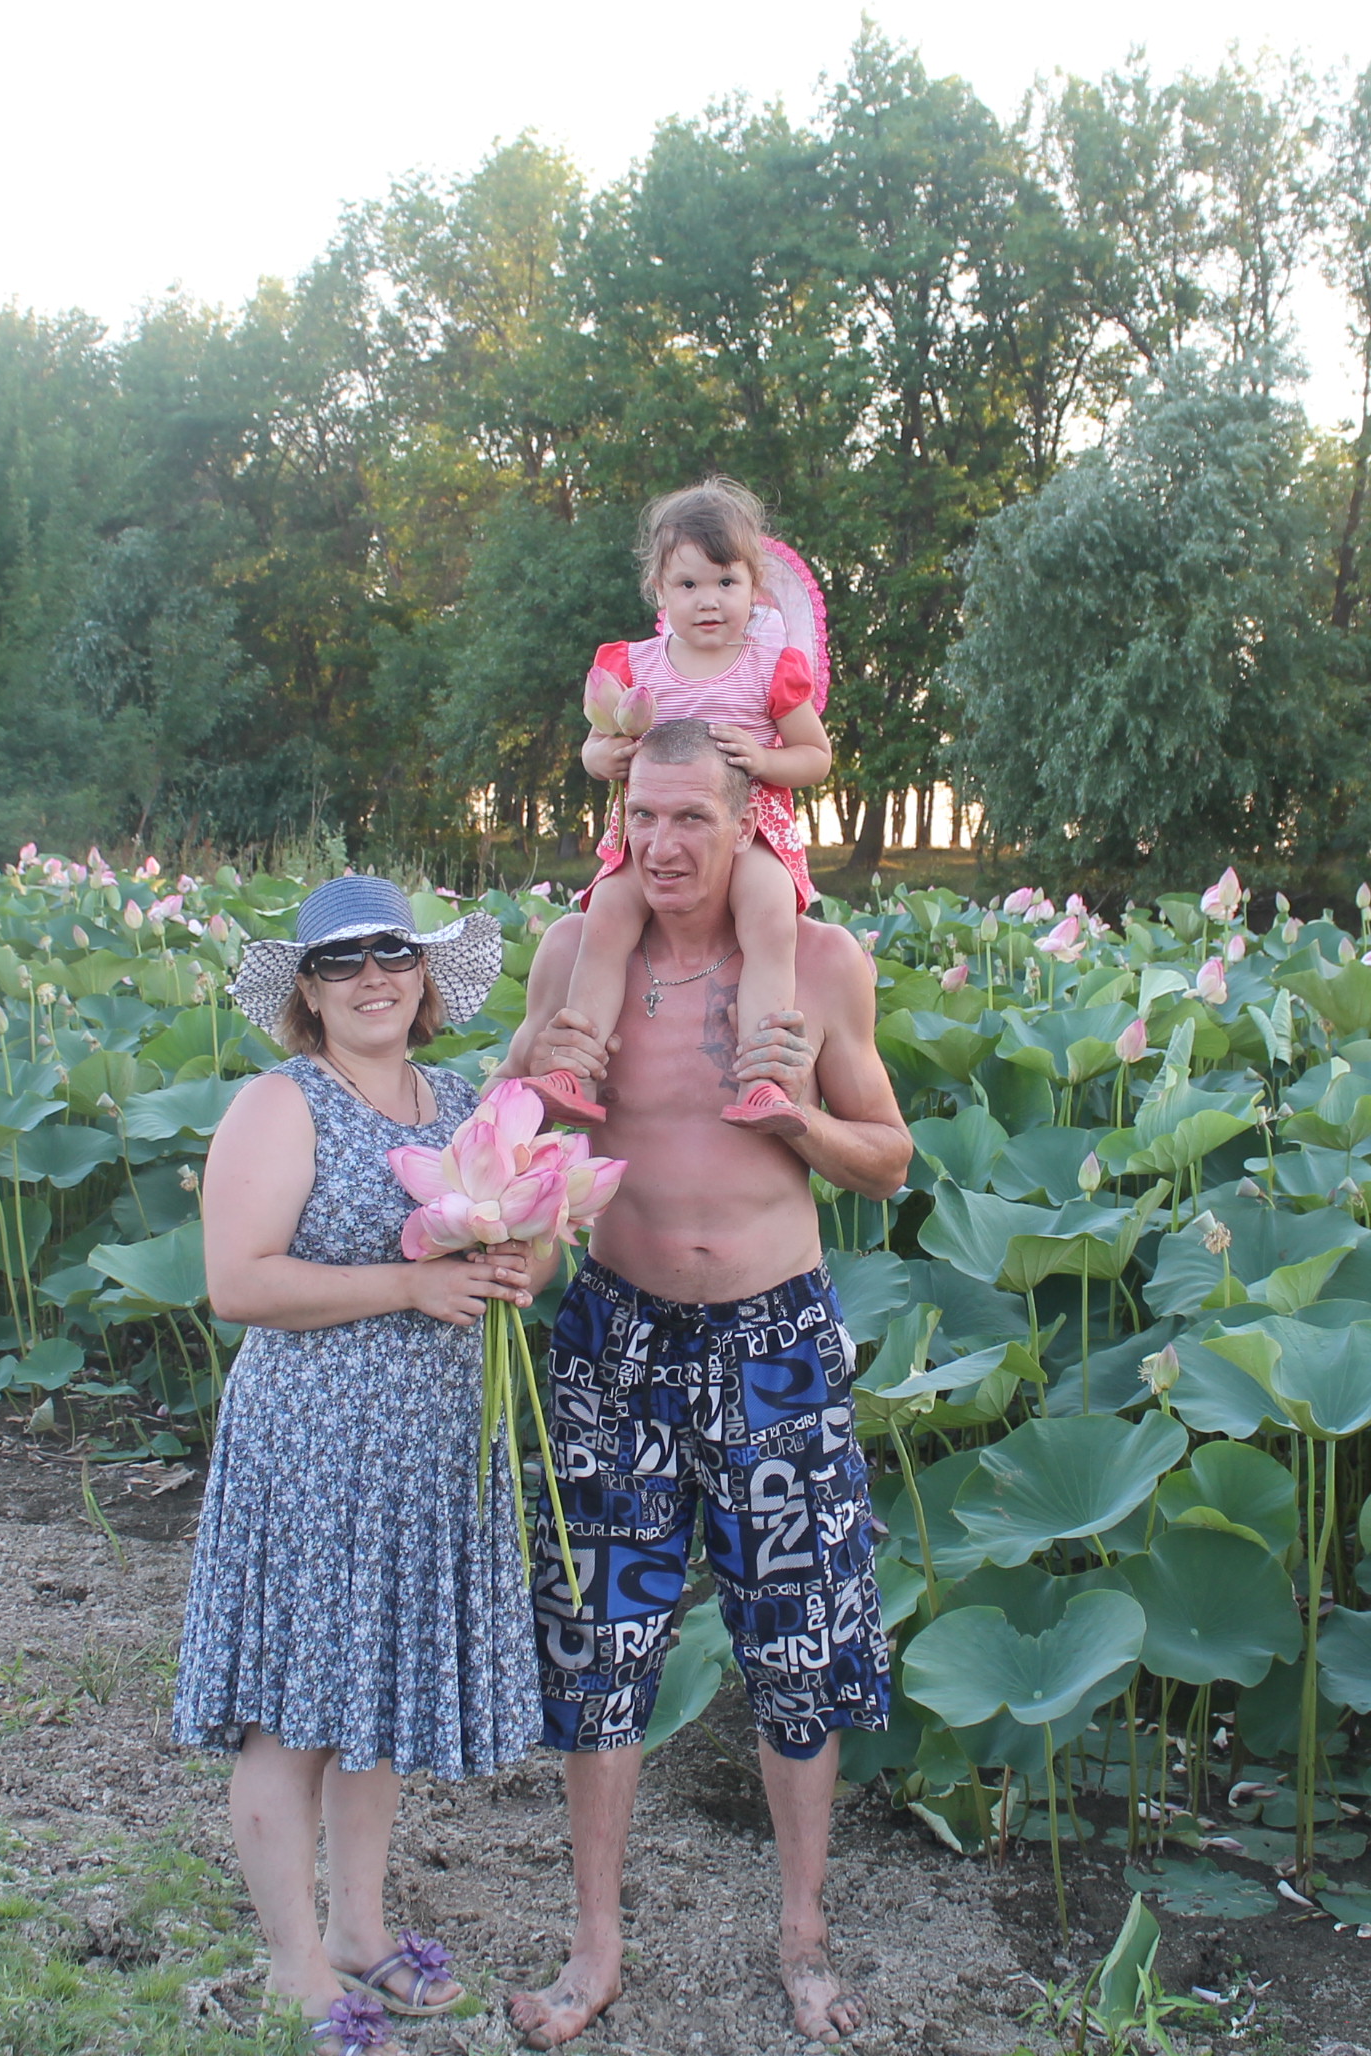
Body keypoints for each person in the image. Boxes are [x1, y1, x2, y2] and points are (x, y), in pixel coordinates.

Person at [497, 721, 916, 2047]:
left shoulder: (819, 966)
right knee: (599, 1646)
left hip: (773, 1342)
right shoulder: (578, 952)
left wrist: (797, 1118)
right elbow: (515, 1121)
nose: (663, 844)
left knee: (797, 1643)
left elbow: (889, 1156)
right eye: (642, 816)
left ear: (748, 825)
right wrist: (527, 1088)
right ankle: (594, 1947)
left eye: (692, 819)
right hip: (613, 1338)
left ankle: (802, 1938)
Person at [172, 874, 542, 2055]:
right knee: (293, 1711)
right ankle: (293, 1964)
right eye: (341, 961)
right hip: (314, 1447)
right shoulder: (281, 1104)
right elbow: (237, 1282)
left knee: (372, 1696)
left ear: (425, 974)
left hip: (430, 1449)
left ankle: (360, 1929)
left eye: (393, 953)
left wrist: (515, 1262)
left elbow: (517, 1238)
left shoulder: (464, 1102)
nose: (373, 976)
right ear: (309, 991)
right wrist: (409, 1285)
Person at [528, 478, 836, 1141]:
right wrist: (603, 757)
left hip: (750, 828)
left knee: (769, 915)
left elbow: (815, 757)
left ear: (754, 587)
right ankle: (577, 1069)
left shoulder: (769, 667)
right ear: (659, 590)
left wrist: (764, 760)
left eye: (726, 582)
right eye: (689, 584)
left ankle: (762, 1077)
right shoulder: (635, 666)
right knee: (607, 916)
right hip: (654, 834)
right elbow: (595, 743)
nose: (709, 600)